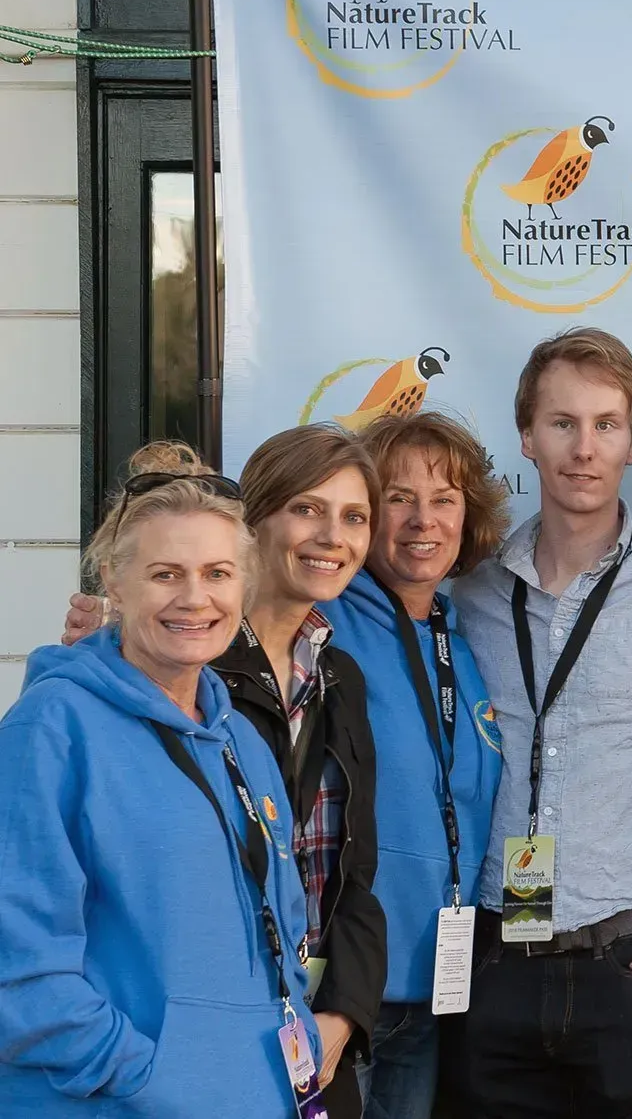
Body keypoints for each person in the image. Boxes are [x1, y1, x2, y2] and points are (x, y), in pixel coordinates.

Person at [62, 423, 388, 1118]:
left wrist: (340, 1015)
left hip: (288, 1041)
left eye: (353, 516)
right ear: (257, 521)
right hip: (171, 1069)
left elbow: (353, 872)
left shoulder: (338, 675)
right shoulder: (173, 666)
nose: (331, 535)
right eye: (307, 507)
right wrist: (147, 1070)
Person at [447, 327, 632, 1117]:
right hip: (496, 960)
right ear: (527, 437)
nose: (584, 447)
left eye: (606, 424)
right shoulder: (466, 590)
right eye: (563, 423)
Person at [0, 443, 319, 1115]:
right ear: (115, 582)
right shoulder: (51, 728)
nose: (195, 598)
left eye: (218, 572)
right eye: (166, 574)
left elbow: (283, 930)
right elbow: (19, 962)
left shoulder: (243, 741)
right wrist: (146, 1073)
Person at [331, 413, 508, 1119]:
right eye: (397, 497)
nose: (421, 520)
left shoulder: (461, 639)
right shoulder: (322, 620)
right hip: (342, 987)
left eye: (444, 499)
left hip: (431, 986)